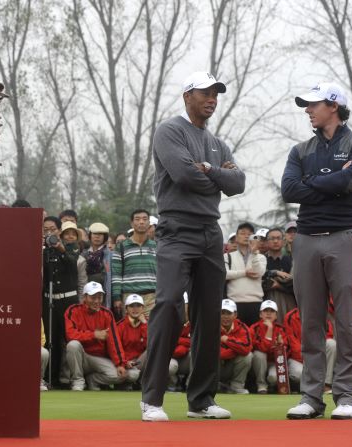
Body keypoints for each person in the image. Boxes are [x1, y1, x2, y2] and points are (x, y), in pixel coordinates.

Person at [141, 71, 245, 422]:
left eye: (216, 93)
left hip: (210, 233)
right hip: (176, 229)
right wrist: (218, 174)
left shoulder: (215, 142)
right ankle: (151, 398)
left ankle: (201, 400)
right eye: (205, 93)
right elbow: (185, 175)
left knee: (209, 314)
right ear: (188, 96)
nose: (212, 99)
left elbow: (238, 183)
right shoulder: (170, 130)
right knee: (169, 303)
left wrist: (208, 169)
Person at [282, 81, 352, 420]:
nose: (308, 110)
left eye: (313, 104)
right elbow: (289, 190)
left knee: (349, 322)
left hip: (343, 236)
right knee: (311, 323)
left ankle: (349, 397)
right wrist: (332, 179)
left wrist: (314, 184)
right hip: (306, 239)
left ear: (333, 106)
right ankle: (311, 397)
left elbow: (350, 183)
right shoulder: (301, 149)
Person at [64, 282, 129, 391]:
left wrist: (120, 363)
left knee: (119, 376)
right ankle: (78, 381)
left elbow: (114, 341)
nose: (97, 301)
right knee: (73, 345)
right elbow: (70, 335)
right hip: (81, 356)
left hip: (98, 359)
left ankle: (92, 379)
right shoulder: (73, 310)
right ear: (85, 297)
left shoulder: (107, 314)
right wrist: (93, 334)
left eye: (100, 297)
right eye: (93, 298)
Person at [42, 216, 79, 387]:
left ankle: (73, 378)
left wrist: (61, 249)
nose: (49, 232)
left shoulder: (72, 248)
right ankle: (52, 378)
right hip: (49, 301)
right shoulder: (43, 250)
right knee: (51, 340)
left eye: (52, 229)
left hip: (68, 301)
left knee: (69, 339)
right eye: (46, 229)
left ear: (59, 231)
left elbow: (72, 264)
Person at [111, 209, 157, 318]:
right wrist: (117, 297)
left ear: (149, 223)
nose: (141, 222)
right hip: (129, 297)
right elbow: (116, 275)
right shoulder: (121, 246)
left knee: (151, 331)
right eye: (137, 219)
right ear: (132, 223)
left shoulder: (156, 246)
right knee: (130, 332)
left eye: (145, 219)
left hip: (152, 297)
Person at [285, 307, 336, 394]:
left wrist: (315, 356)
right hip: (298, 359)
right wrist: (309, 357)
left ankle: (326, 384)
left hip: (316, 357)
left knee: (331, 343)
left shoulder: (321, 314)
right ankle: (309, 388)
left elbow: (328, 335)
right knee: (298, 374)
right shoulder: (290, 316)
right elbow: (292, 342)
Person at [225, 223, 267, 326]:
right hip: (234, 303)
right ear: (236, 237)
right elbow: (224, 274)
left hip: (256, 302)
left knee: (255, 339)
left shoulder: (260, 257)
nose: (246, 236)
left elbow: (259, 273)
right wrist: (244, 273)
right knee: (236, 338)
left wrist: (253, 253)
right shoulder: (227, 256)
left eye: (249, 234)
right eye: (242, 233)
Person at [250, 300, 288, 394]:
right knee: (259, 354)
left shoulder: (281, 329)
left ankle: (272, 387)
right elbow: (261, 349)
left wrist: (280, 346)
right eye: (265, 310)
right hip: (257, 364)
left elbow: (285, 351)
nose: (268, 313)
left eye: (272, 311)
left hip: (274, 362)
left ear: (276, 315)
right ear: (260, 314)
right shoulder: (254, 328)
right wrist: (270, 330)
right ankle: (261, 385)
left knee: (273, 378)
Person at [219, 299, 252, 394]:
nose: (225, 316)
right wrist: (235, 350)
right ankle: (211, 385)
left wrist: (227, 340)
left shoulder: (242, 327)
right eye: (222, 313)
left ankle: (236, 386)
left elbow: (246, 348)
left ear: (235, 315)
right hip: (216, 366)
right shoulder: (211, 326)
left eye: (228, 313)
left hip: (231, 365)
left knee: (248, 356)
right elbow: (209, 350)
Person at [262, 228, 296, 322]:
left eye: (278, 238)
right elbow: (259, 280)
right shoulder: (261, 260)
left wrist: (278, 285)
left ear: (283, 241)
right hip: (265, 300)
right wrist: (276, 273)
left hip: (288, 301)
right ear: (267, 241)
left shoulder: (291, 260)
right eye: (272, 238)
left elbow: (294, 283)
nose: (275, 241)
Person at [116, 294, 148, 386]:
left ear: (143, 308)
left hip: (141, 361)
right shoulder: (120, 326)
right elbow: (117, 348)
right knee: (133, 375)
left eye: (138, 306)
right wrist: (125, 362)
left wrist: (145, 324)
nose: (135, 309)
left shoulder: (147, 323)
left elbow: (151, 344)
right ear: (126, 309)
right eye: (132, 306)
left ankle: (143, 383)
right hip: (127, 363)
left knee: (153, 348)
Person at [83, 223, 112, 308]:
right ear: (90, 235)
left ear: (105, 237)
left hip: (103, 292)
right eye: (94, 233)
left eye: (100, 234)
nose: (97, 236)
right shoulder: (83, 253)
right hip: (87, 292)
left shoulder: (110, 255)